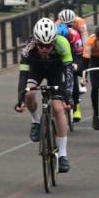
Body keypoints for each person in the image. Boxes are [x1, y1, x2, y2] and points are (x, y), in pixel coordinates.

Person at [15, 18, 74, 172]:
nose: (44, 49)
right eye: (41, 45)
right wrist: (20, 98)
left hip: (57, 71)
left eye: (48, 45)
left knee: (58, 108)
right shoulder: (28, 48)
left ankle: (62, 154)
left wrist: (68, 96)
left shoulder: (62, 44)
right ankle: (35, 121)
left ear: (54, 42)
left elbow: (69, 73)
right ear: (35, 41)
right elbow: (23, 75)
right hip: (37, 69)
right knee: (29, 93)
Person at [56, 10, 84, 122]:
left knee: (73, 77)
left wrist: (77, 65)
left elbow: (79, 53)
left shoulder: (74, 34)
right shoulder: (55, 29)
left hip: (72, 53)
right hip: (57, 53)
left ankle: (76, 105)